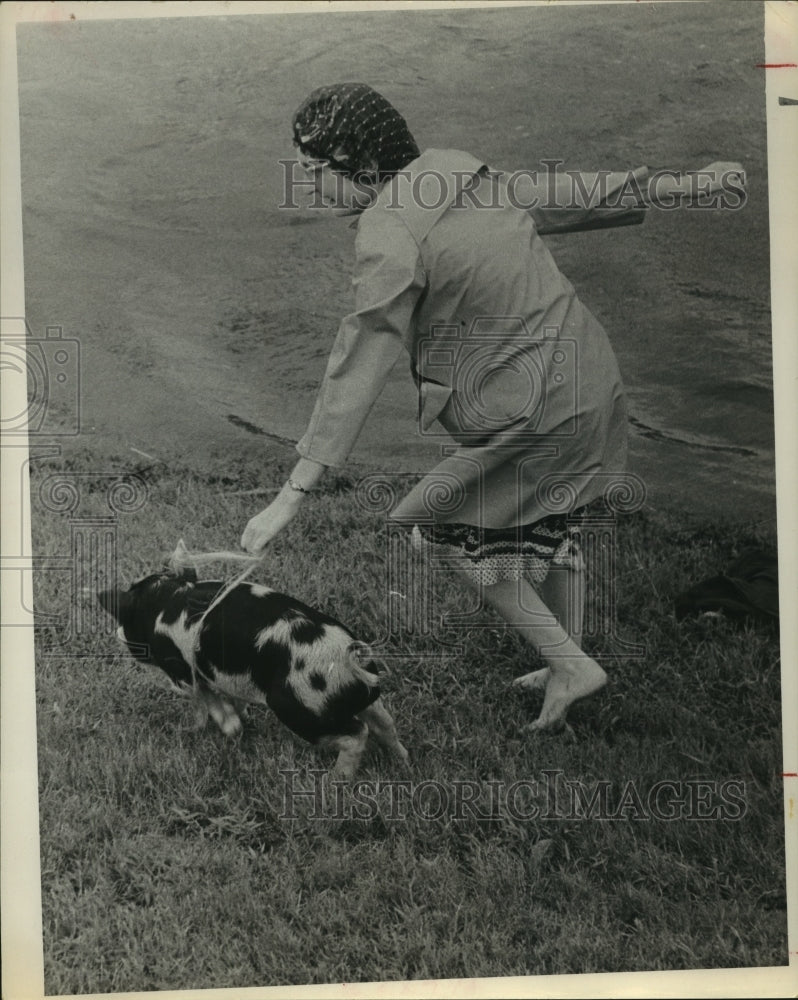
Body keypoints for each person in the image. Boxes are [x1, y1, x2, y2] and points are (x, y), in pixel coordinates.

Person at [241, 82, 744, 732]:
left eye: (316, 172)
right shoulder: (452, 170)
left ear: (358, 165)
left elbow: (359, 357)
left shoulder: (387, 234)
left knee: (447, 529)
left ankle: (569, 664)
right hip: (588, 379)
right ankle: (565, 659)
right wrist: (687, 187)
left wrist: (292, 493)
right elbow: (563, 195)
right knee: (555, 524)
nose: (309, 187)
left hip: (537, 411)